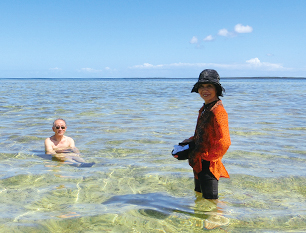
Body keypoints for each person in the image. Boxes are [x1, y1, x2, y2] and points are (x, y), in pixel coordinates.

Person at [180, 69, 231, 199]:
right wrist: (191, 141)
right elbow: (204, 133)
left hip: (208, 163)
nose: (205, 90)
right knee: (199, 195)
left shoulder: (218, 111)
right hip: (198, 160)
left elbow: (225, 142)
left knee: (211, 202)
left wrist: (209, 159)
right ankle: (198, 219)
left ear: (217, 89)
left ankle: (218, 218)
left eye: (209, 86)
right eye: (201, 87)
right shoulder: (205, 108)